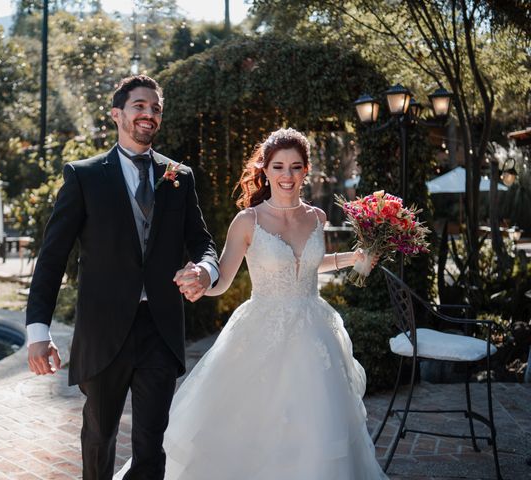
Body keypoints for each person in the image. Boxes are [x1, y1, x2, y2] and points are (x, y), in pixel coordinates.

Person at [115, 127, 387, 479]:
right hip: (262, 331)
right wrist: (200, 283)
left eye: (294, 167)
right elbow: (223, 279)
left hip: (316, 333)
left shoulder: (318, 217)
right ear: (265, 170)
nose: (286, 176)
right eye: (278, 167)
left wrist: (355, 257)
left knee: (317, 423)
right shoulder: (249, 220)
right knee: (254, 424)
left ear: (306, 170)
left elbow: (308, 264)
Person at [26, 75, 219, 480]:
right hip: (103, 330)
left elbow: (203, 242)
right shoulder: (84, 176)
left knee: (151, 444)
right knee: (99, 438)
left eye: (155, 108)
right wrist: (37, 331)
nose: (149, 114)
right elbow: (52, 257)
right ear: (117, 114)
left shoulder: (178, 176)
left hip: (160, 329)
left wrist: (205, 269)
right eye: (139, 106)